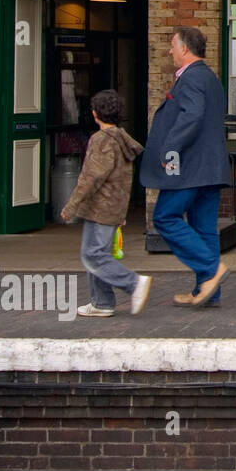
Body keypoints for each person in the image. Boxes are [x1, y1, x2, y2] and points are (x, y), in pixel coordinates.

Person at [139, 26, 231, 307]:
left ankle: (210, 269)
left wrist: (170, 148)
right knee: (204, 228)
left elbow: (192, 115)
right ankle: (207, 292)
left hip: (190, 167)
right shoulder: (209, 77)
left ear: (184, 49)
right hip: (211, 168)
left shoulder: (191, 78)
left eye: (172, 45)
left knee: (165, 217)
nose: (169, 51)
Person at [60, 89, 152, 317]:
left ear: (94, 114)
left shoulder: (101, 140)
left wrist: (71, 205)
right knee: (99, 253)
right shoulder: (122, 139)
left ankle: (133, 283)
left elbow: (91, 177)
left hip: (100, 207)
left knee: (92, 255)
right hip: (115, 206)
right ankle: (102, 303)